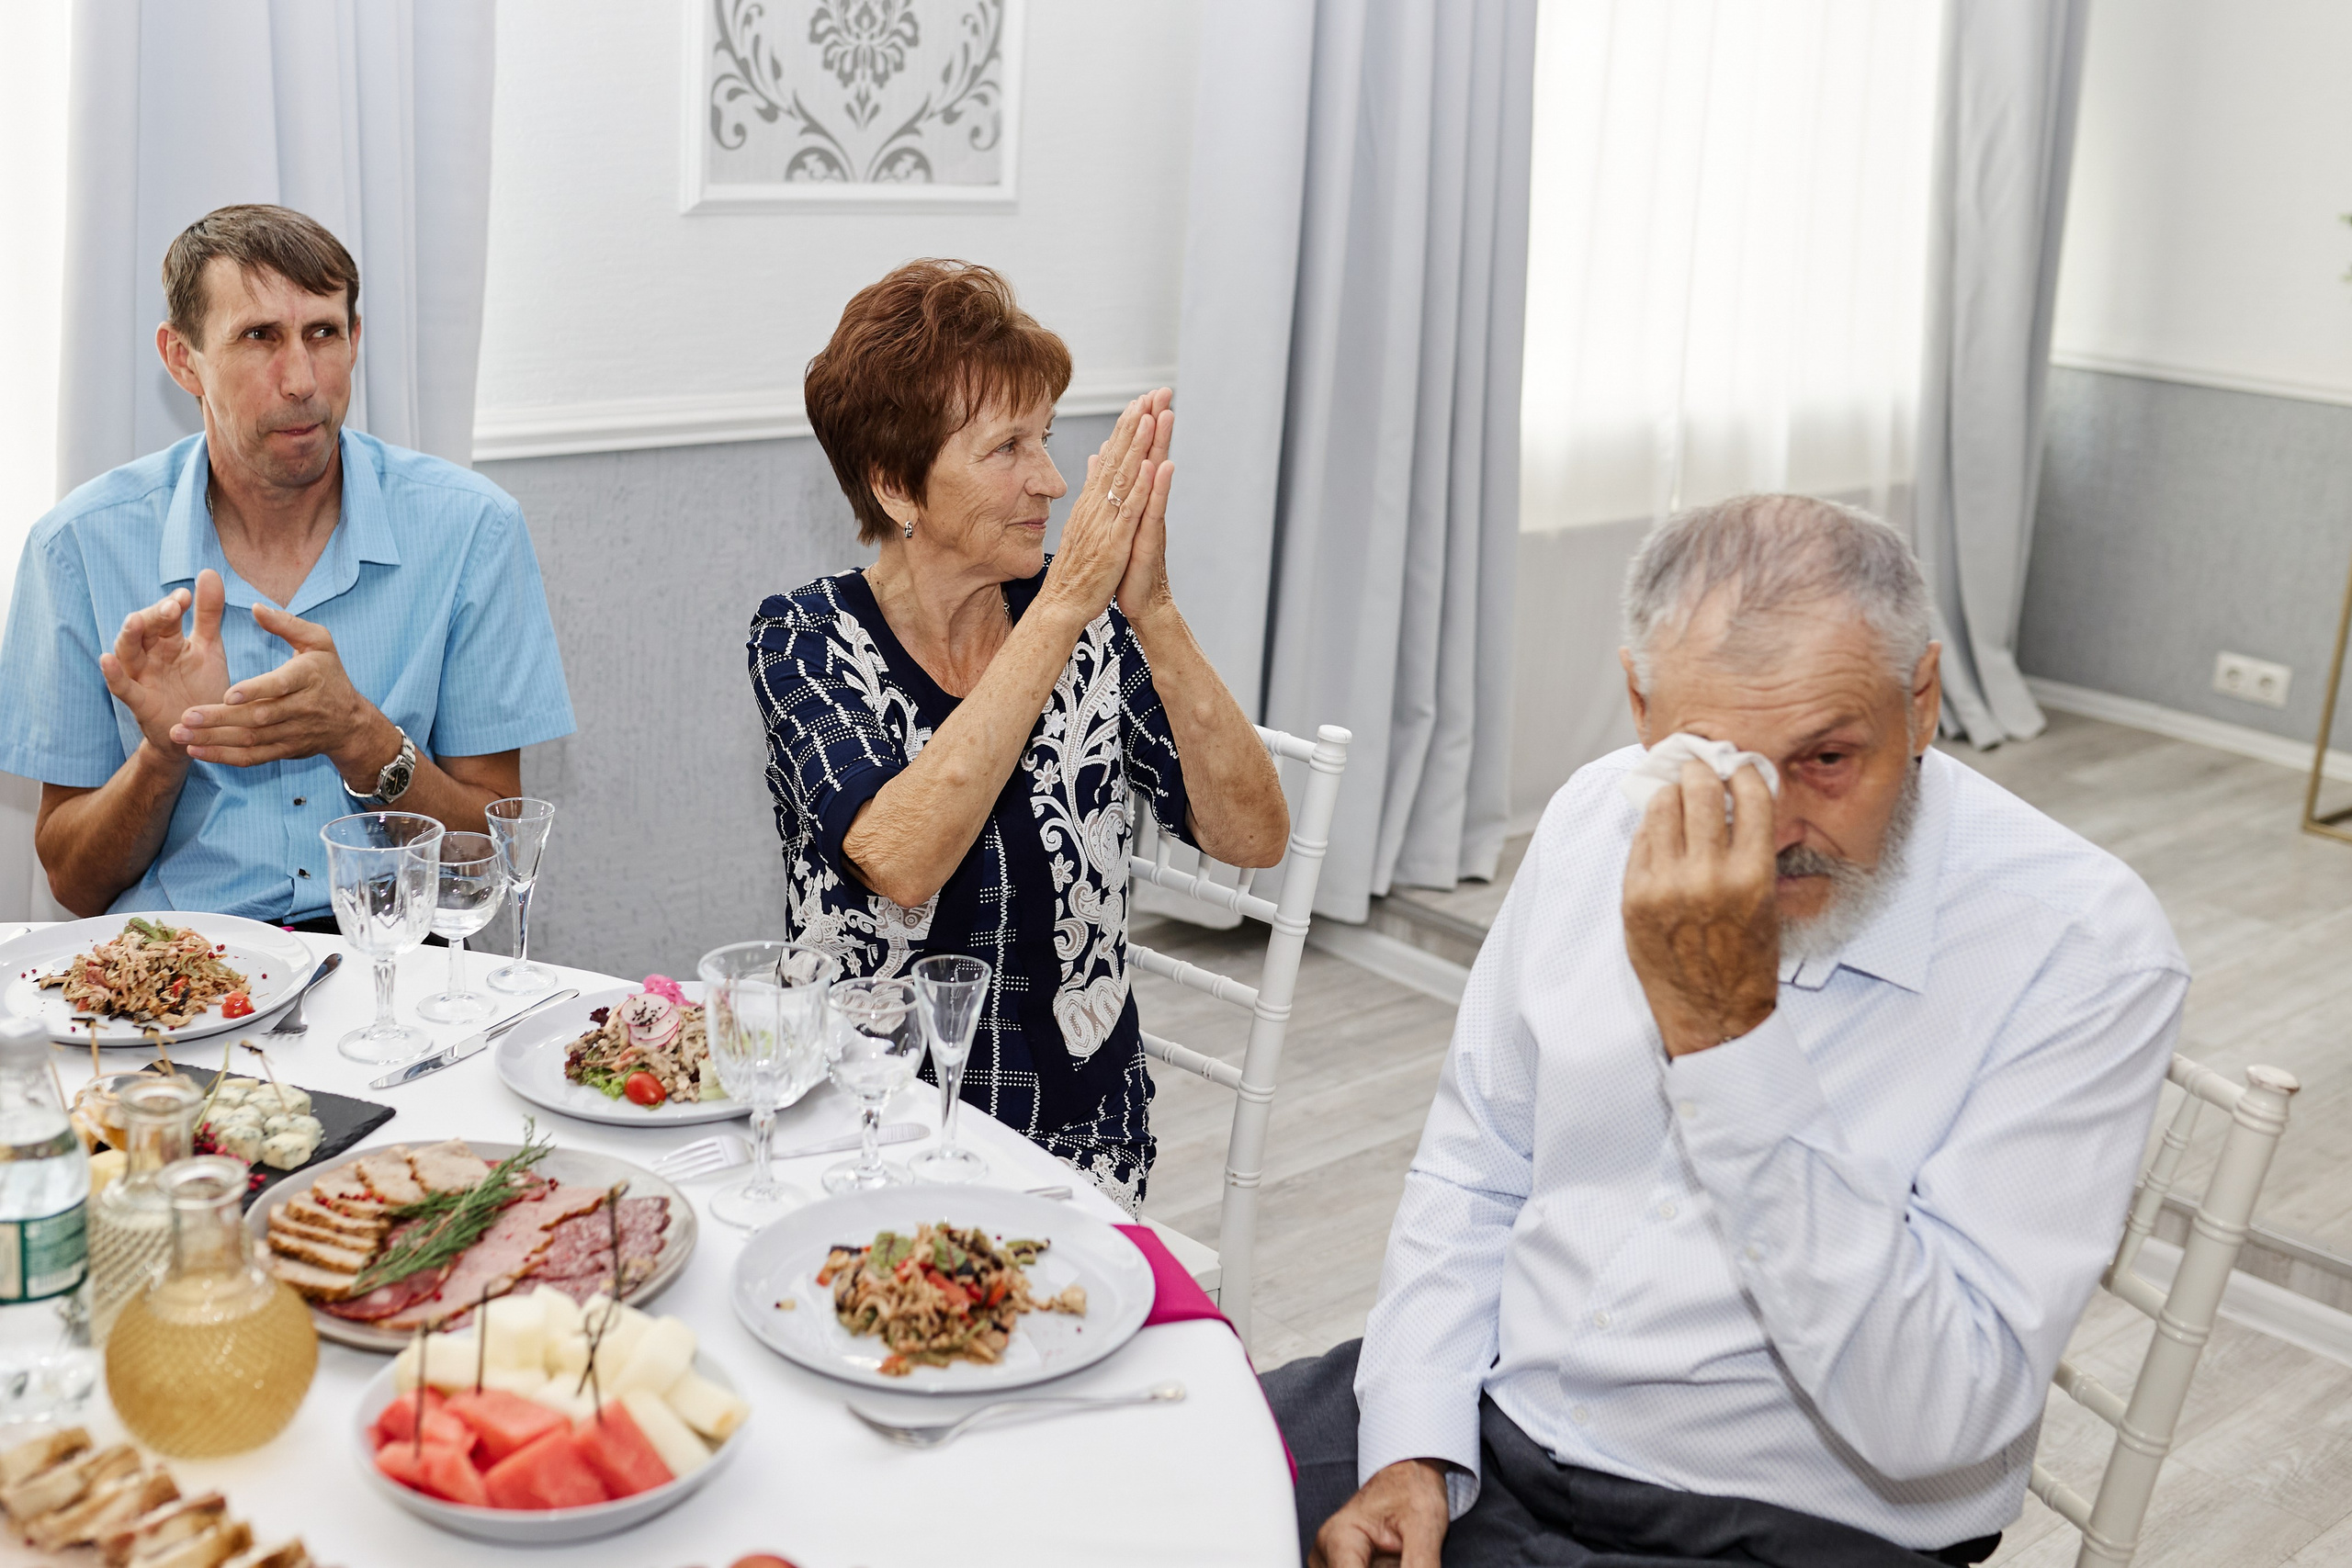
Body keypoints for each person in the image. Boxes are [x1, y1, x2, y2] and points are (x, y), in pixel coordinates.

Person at [1268, 495, 2188, 1567]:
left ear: (1923, 700)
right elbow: (1476, 1167)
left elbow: (1944, 1421)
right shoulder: (1592, 816)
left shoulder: (2083, 946)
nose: (1772, 825)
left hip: (1782, 1520)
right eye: (1715, 761)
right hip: (1481, 1413)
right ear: (1638, 703)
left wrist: (1729, 1040)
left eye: (1827, 759)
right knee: (1111, 1479)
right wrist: (1412, 1442)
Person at [750, 259, 1288, 1211]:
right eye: (1005, 449)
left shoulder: (1091, 626)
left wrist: (1150, 609)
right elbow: (899, 857)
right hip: (858, 1118)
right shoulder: (803, 638)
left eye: (1045, 439)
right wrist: (1063, 609)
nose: (1047, 479)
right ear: (896, 486)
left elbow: (1253, 841)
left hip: (1074, 1137)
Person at [0, 205, 573, 928]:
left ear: (356, 340)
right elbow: (74, 885)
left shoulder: (472, 530)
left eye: (323, 333)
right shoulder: (78, 547)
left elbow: (492, 864)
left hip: (391, 971)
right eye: (258, 337)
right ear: (184, 360)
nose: (302, 378)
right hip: (184, 977)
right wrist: (163, 754)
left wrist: (364, 739)